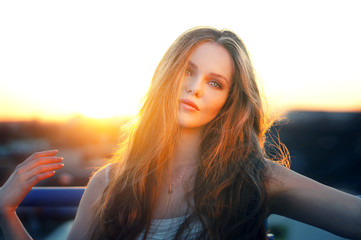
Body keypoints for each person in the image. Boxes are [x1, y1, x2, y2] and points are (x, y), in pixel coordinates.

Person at [0, 27, 360, 240]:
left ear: (228, 101)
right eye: (187, 71)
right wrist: (7, 211)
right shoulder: (108, 184)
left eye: (215, 83)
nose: (196, 89)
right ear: (165, 75)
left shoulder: (256, 179)